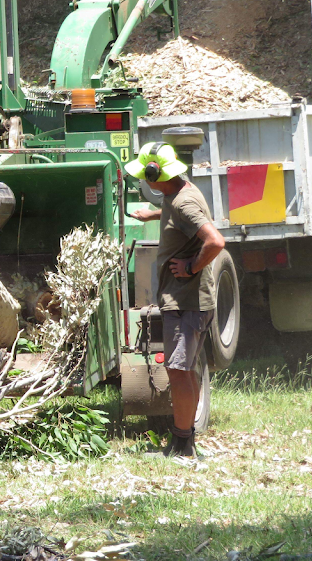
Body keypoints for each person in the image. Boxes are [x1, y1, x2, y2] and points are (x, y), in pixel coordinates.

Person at [127, 142, 226, 459]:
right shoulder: (178, 193)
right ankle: (183, 442)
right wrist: (154, 214)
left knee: (178, 371)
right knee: (184, 371)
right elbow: (176, 212)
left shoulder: (183, 203)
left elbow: (215, 241)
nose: (145, 178)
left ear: (155, 173)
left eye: (146, 173)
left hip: (186, 302)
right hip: (188, 302)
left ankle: (184, 449)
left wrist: (190, 266)